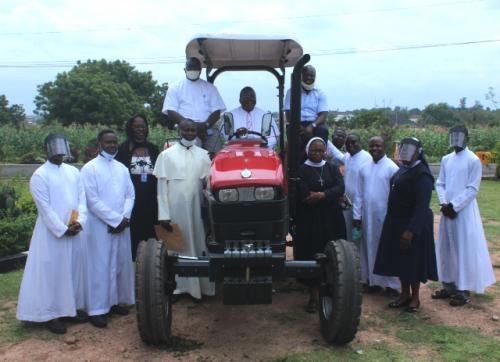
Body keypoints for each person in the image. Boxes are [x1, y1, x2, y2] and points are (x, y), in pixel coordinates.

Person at [16, 133, 87, 334]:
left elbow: (82, 200)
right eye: (53, 146)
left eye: (61, 146)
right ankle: (51, 314)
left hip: (74, 229)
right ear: (46, 149)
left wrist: (79, 222)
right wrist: (62, 229)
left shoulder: (73, 172)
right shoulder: (40, 175)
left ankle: (69, 310)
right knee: (52, 273)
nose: (58, 151)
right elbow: (44, 208)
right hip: (52, 233)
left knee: (72, 270)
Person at [433, 125, 496, 306]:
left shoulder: (473, 160)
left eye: (459, 136)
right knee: (446, 247)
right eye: (453, 135)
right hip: (447, 211)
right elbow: (440, 183)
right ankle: (448, 284)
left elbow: (472, 188)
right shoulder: (446, 159)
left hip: (464, 212)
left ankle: (462, 289)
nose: (456, 139)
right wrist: (445, 203)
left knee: (462, 248)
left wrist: (455, 206)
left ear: (467, 138)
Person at [374, 137, 438, 312]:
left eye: (411, 149)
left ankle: (415, 298)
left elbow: (422, 206)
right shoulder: (402, 169)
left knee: (413, 262)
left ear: (419, 152)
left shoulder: (422, 174)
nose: (406, 152)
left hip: (412, 225)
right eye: (404, 148)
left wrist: (411, 230)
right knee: (401, 261)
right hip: (396, 222)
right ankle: (404, 294)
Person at [153, 119, 215, 300]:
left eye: (193, 130)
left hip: (197, 207)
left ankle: (203, 288)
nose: (190, 133)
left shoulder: (204, 155)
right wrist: (163, 214)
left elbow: (208, 183)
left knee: (199, 243)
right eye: (186, 130)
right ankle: (178, 288)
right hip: (175, 207)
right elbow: (161, 188)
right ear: (180, 130)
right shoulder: (166, 155)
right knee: (176, 247)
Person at [81, 129, 135, 328]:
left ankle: (113, 303)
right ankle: (96, 309)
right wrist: (114, 220)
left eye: (114, 142)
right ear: (99, 144)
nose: (112, 145)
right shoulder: (90, 168)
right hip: (99, 226)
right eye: (108, 142)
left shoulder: (121, 167)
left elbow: (130, 194)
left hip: (121, 225)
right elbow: (92, 200)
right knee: (100, 266)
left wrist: (124, 218)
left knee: (119, 264)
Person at [295, 137, 346, 312]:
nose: (318, 153)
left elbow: (341, 188)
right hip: (311, 220)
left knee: (333, 255)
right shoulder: (301, 169)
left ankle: (332, 292)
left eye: (321, 150)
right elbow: (303, 194)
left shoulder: (331, 168)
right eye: (314, 150)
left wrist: (322, 196)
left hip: (332, 219)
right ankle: (313, 296)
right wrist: (324, 196)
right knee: (312, 254)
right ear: (308, 151)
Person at [353, 136, 400, 294]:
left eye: (378, 146)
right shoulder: (364, 168)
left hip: (386, 216)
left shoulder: (392, 168)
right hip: (367, 217)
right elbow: (359, 195)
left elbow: (396, 196)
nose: (375, 149)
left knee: (386, 248)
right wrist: (357, 216)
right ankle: (371, 281)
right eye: (372, 146)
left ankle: (392, 285)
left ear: (384, 146)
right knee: (368, 248)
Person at [116, 114, 159, 260]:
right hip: (130, 202)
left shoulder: (153, 149)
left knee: (149, 236)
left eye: (143, 126)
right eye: (136, 127)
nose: (140, 129)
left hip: (150, 201)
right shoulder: (122, 150)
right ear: (130, 128)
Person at [162, 57, 226, 154]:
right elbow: (170, 111)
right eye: (190, 68)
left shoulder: (210, 87)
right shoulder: (175, 87)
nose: (192, 70)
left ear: (200, 71)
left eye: (195, 68)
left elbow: (217, 110)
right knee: (193, 153)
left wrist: (206, 125)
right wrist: (190, 125)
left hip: (208, 127)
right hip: (186, 129)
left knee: (216, 152)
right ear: (185, 69)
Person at [329, 134, 372, 241]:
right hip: (347, 202)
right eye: (347, 143)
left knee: (359, 232)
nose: (350, 145)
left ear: (360, 143)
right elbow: (336, 154)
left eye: (353, 142)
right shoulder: (348, 156)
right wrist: (325, 139)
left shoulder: (367, 157)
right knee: (348, 231)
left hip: (360, 203)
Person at [284, 65, 329, 149]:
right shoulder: (291, 92)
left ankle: (321, 159)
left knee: (323, 130)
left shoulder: (320, 93)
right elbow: (288, 114)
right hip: (296, 123)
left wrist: (312, 126)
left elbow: (323, 115)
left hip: (315, 123)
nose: (309, 77)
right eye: (306, 75)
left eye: (312, 75)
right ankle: (295, 161)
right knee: (292, 133)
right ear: (301, 75)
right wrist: (299, 126)